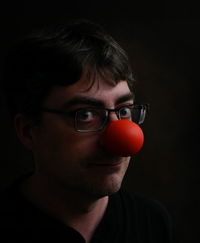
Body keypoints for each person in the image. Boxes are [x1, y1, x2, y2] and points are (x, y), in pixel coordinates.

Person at [1, 19, 176, 243]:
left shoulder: (152, 222)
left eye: (124, 111)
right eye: (85, 114)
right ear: (28, 131)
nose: (118, 140)